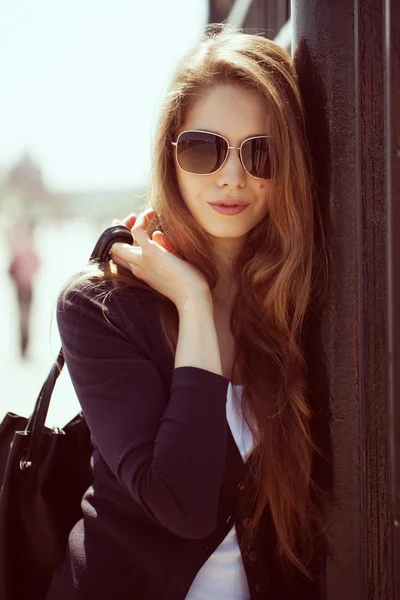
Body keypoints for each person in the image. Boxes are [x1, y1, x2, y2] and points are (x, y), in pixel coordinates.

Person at [46, 25, 329, 600]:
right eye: (205, 147)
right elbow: (182, 504)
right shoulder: (101, 308)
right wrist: (195, 304)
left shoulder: (299, 298)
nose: (232, 176)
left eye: (262, 152)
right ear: (171, 155)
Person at [7, 220, 40, 358]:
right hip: (27, 287)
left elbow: (10, 269)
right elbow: (38, 265)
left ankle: (23, 347)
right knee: (26, 317)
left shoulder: (19, 250)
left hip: (22, 288)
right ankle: (25, 346)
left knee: (23, 317)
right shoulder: (30, 250)